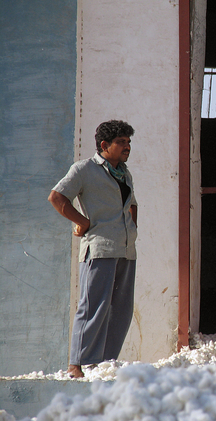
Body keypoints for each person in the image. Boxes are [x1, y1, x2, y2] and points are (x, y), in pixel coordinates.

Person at [48, 120, 138, 379]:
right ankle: (76, 364)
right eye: (121, 142)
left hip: (125, 249)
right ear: (104, 145)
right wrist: (82, 222)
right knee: (93, 306)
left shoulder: (124, 172)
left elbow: (132, 205)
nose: (127, 147)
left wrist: (132, 231)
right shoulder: (84, 169)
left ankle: (102, 362)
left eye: (128, 142)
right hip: (99, 248)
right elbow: (57, 197)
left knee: (121, 309)